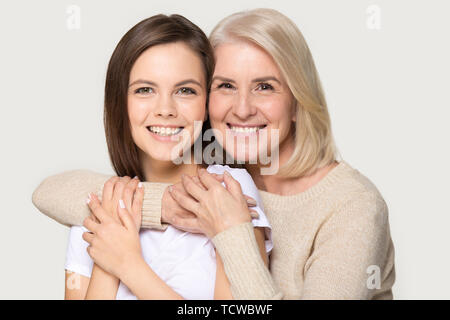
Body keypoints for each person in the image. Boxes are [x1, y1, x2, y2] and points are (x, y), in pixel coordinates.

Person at [32, 8, 395, 299]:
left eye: (264, 87)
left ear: (299, 100)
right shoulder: (217, 174)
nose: (242, 109)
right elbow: (49, 192)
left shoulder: (352, 205)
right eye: (225, 86)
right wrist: (161, 205)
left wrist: (231, 232)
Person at [55, 13, 272, 300]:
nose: (165, 109)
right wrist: (107, 266)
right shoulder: (102, 204)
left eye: (185, 90)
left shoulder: (227, 189)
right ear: (121, 102)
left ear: (206, 104)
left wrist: (129, 266)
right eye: (145, 90)